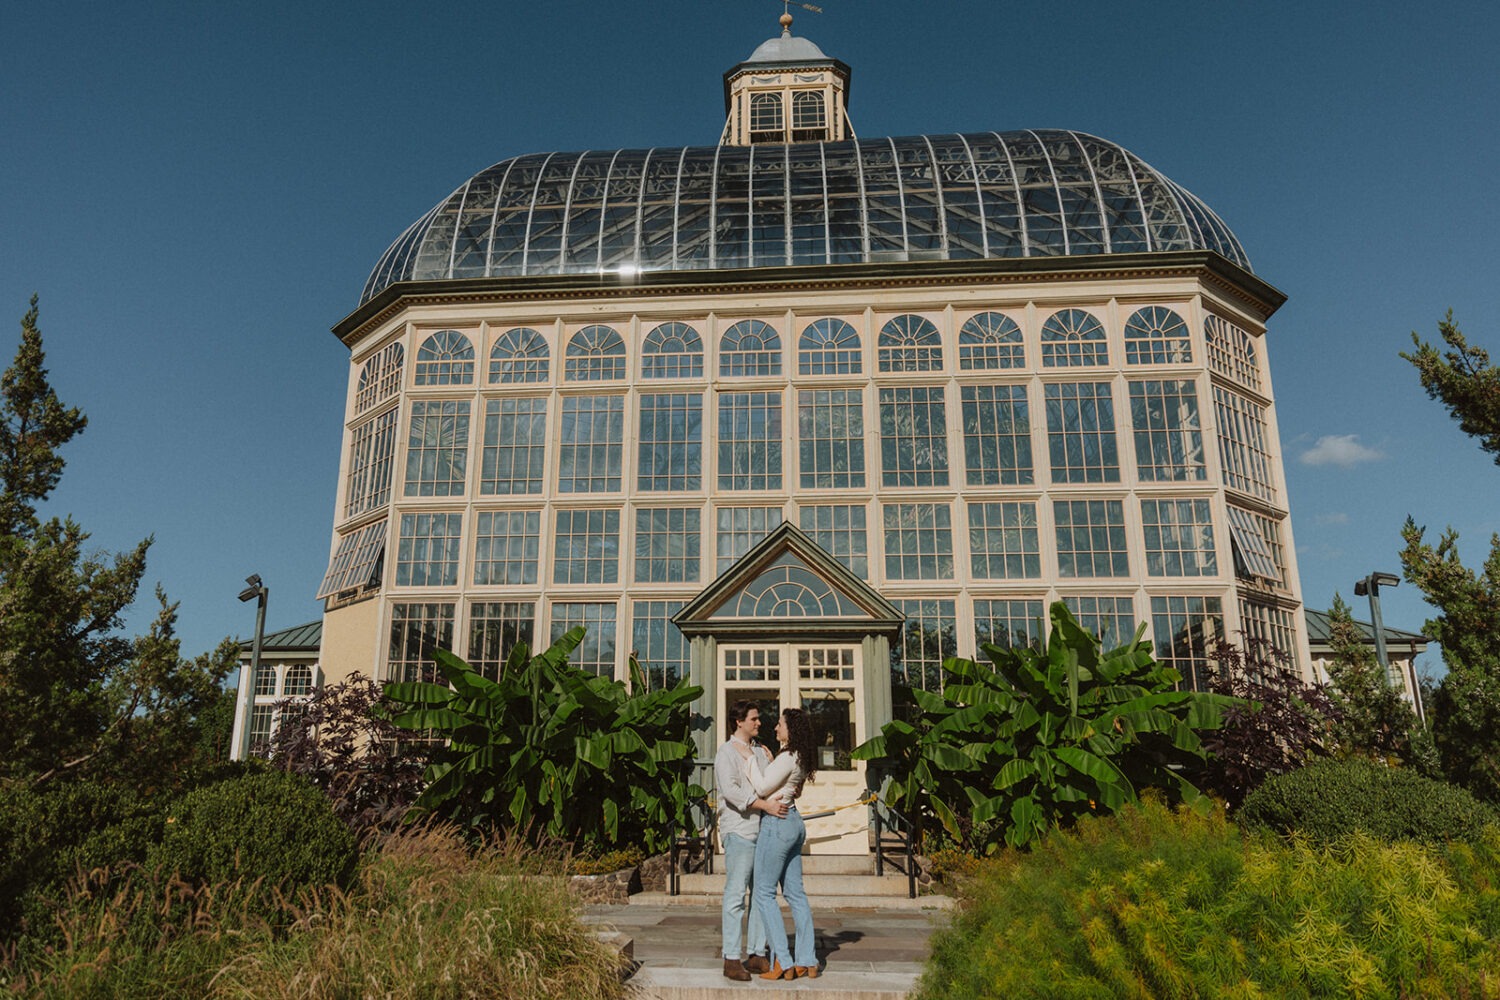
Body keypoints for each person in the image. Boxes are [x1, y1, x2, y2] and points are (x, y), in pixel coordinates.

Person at [714, 700, 787, 981]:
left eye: (758, 718)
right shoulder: (726, 753)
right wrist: (764, 806)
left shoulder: (759, 751)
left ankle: (758, 953)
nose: (759, 723)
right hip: (739, 831)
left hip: (764, 832)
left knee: (761, 893)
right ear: (739, 721)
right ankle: (731, 958)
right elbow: (731, 792)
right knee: (736, 895)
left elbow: (771, 782)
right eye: (754, 719)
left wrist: (774, 756)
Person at [747, 707, 821, 980]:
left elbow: (763, 788)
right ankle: (807, 960)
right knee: (796, 894)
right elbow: (787, 784)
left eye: (780, 725)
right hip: (794, 823)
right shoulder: (799, 756)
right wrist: (770, 759)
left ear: (791, 730)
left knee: (764, 894)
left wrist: (750, 761)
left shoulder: (787, 756)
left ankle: (784, 963)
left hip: (777, 825)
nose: (775, 728)